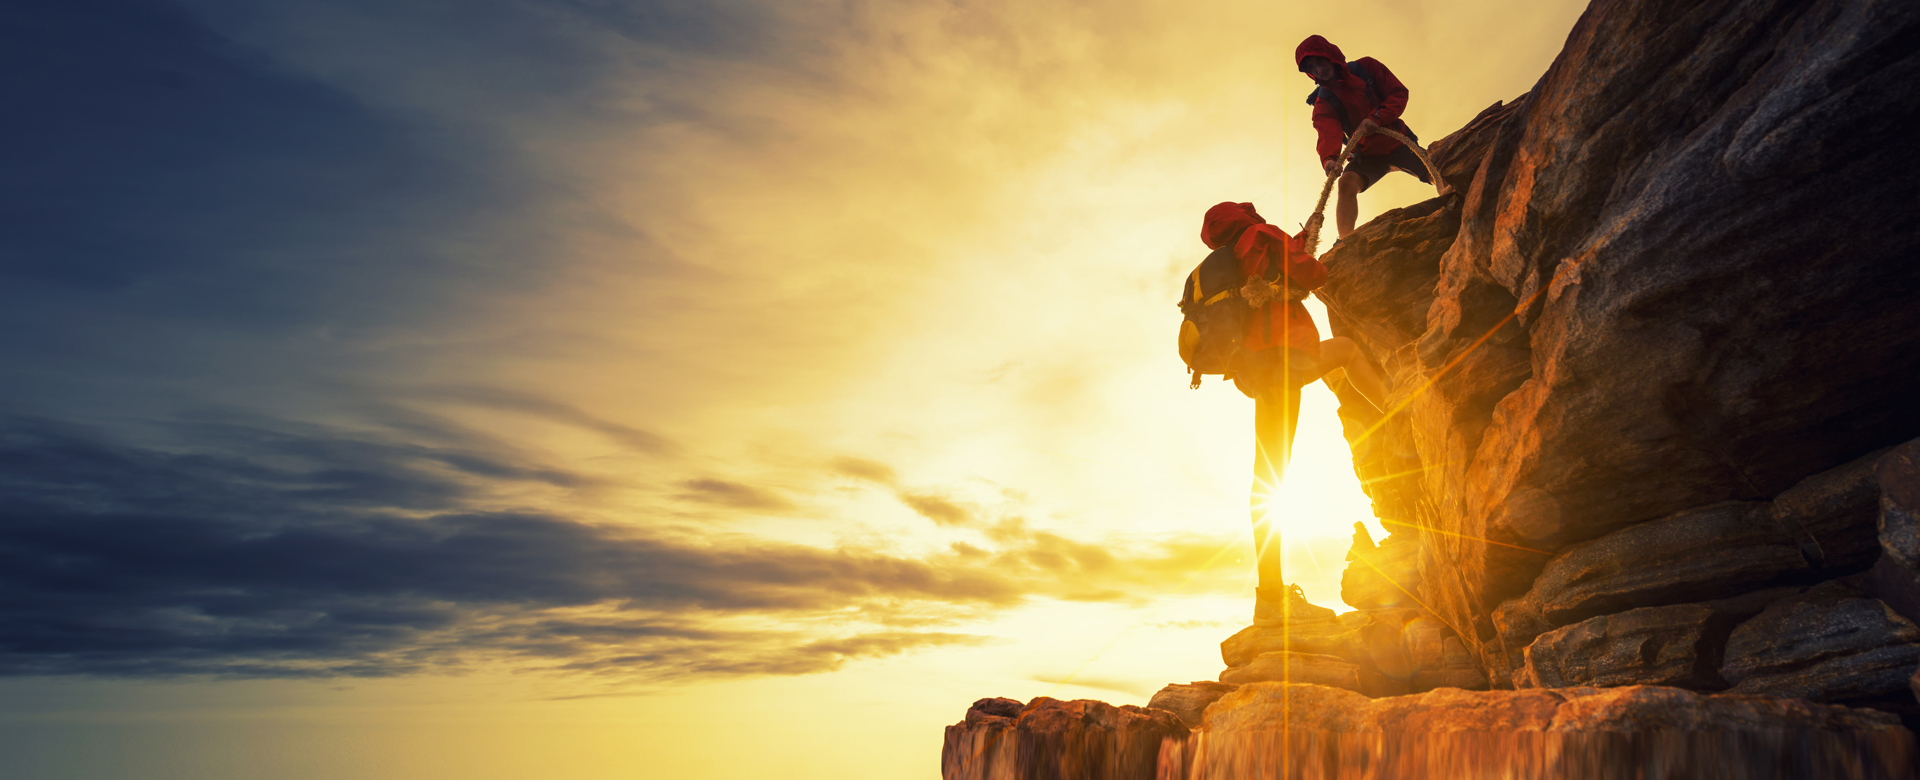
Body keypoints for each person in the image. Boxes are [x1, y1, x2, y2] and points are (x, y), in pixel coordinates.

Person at [1199, 201, 1389, 622]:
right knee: (1345, 352)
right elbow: (1312, 273)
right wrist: (1303, 251)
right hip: (1283, 359)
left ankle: (1268, 596)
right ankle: (1397, 411)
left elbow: (1281, 267)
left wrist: (1302, 241)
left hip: (1258, 366)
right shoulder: (1260, 235)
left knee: (1266, 476)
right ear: (1243, 217)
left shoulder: (1233, 255)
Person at [1296, 35, 1433, 239]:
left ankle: (1458, 197)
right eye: (1312, 68)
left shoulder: (1367, 68)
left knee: (1438, 171)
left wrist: (1377, 117)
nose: (1318, 70)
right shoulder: (1323, 103)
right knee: (1346, 183)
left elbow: (1398, 93)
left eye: (1320, 61)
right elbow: (1328, 133)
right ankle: (1346, 242)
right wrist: (1329, 159)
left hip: (1399, 143)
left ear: (1330, 55)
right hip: (1366, 156)